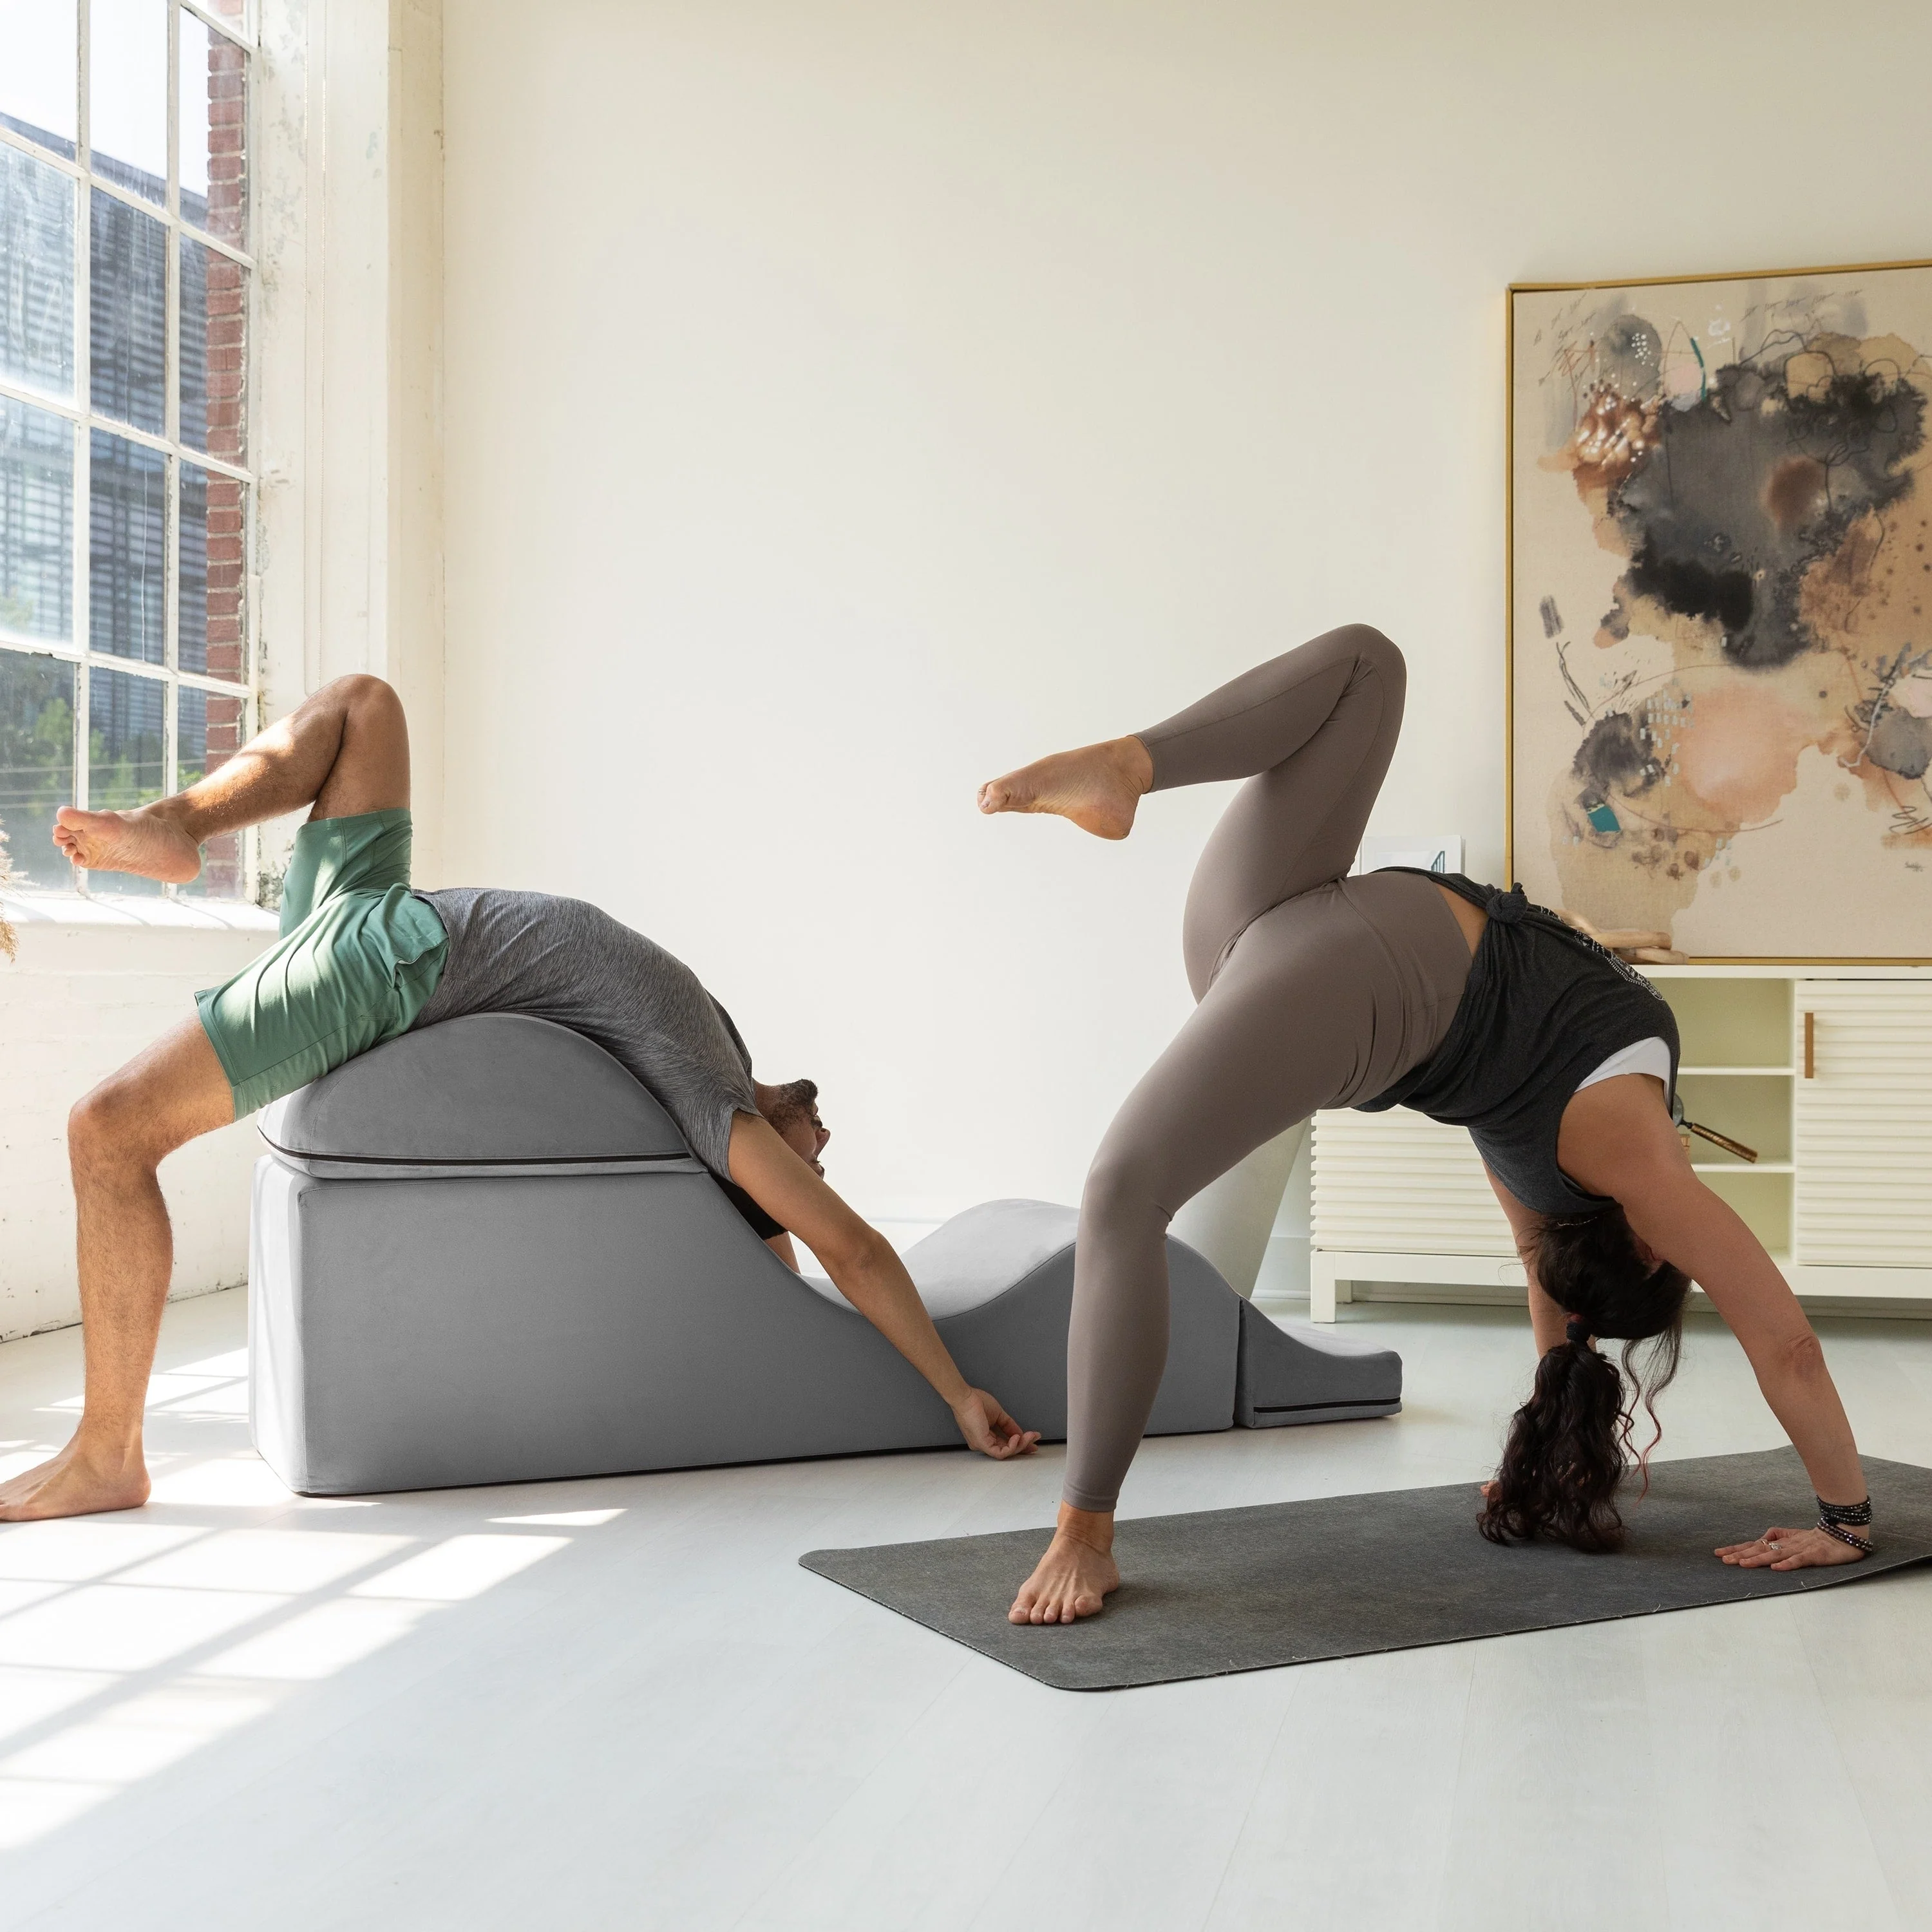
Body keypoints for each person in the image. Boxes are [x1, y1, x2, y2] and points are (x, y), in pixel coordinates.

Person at [978, 624, 1875, 1625]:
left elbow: (1788, 1347)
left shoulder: (1636, 1160)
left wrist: (1847, 1522)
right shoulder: (1550, 1175)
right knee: (1367, 665)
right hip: (1281, 923)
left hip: (1324, 976)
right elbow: (1549, 1291)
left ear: (1651, 1248)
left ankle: (1084, 1532)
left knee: (1121, 1196)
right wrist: (1548, 1459)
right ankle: (1130, 765)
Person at [0, 675, 1037, 1524]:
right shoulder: (722, 1042)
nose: (825, 1139)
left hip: (391, 957)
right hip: (382, 906)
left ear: (760, 1168)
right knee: (367, 703)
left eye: (814, 1162)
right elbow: (785, 1288)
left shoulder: (716, 1102)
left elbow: (845, 1252)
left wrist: (958, 1395)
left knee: (106, 1130)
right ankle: (172, 824)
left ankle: (108, 1453)